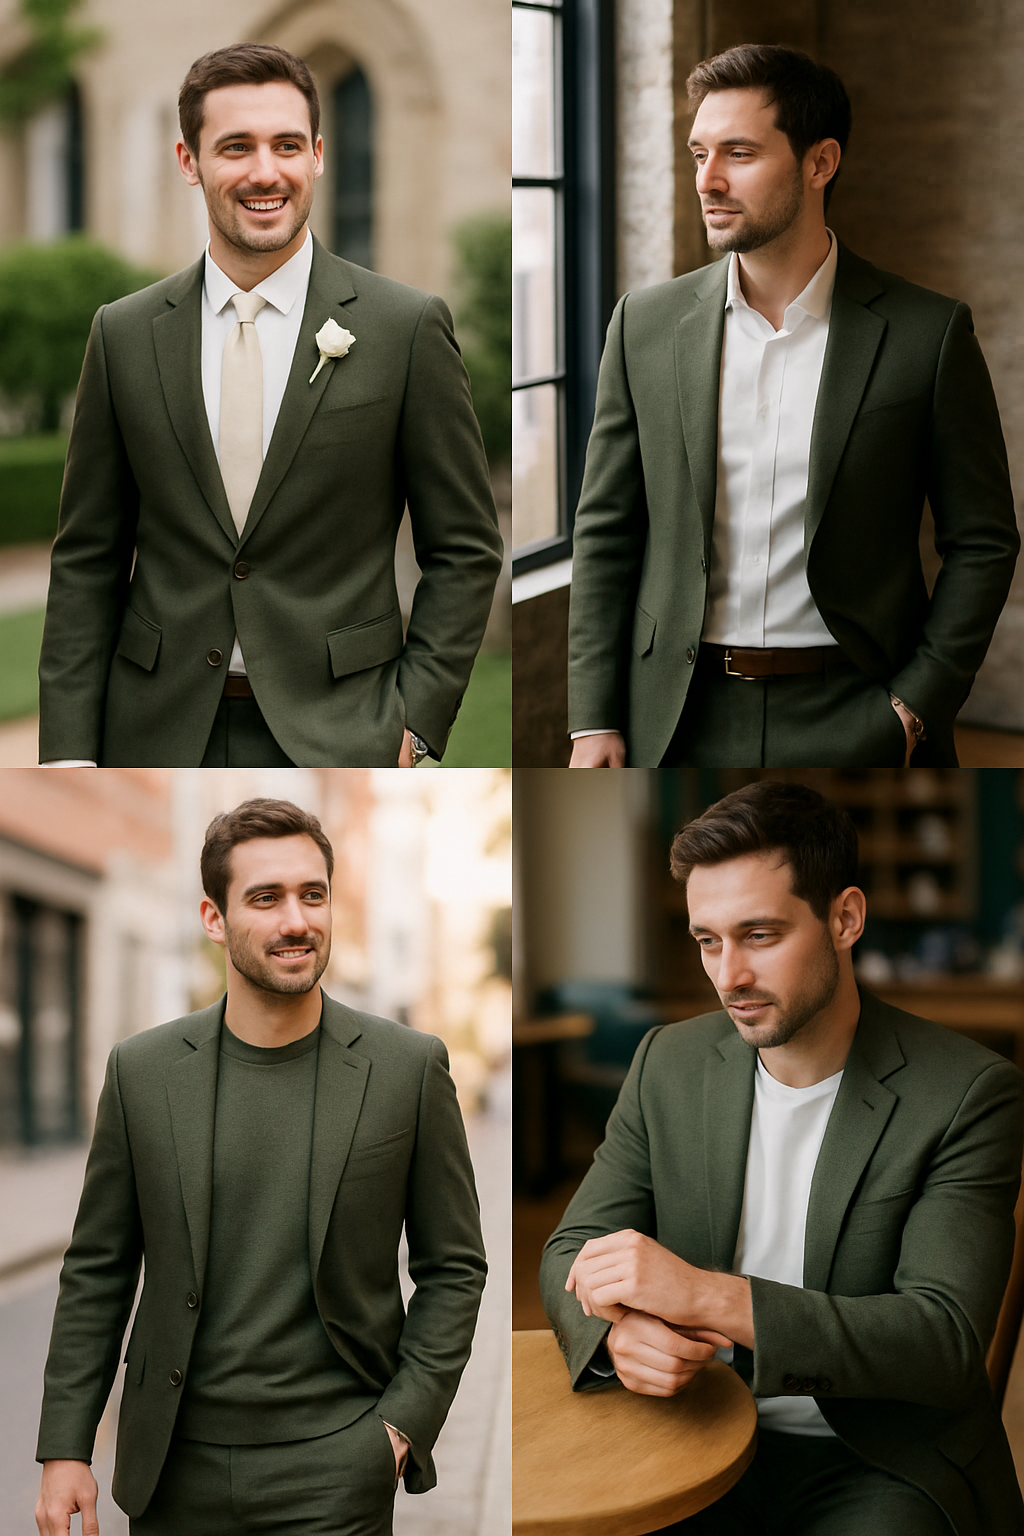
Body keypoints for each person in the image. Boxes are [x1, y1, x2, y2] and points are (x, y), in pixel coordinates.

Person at [540, 780, 1024, 1535]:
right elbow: (571, 1250)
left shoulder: (969, 1094)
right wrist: (613, 1338)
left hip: (875, 1461)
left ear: (845, 918)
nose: (728, 976)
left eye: (759, 935)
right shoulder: (666, 1061)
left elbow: (943, 1340)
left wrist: (709, 1298)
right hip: (690, 1434)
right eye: (708, 940)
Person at [38, 43, 502, 768]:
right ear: (190, 161)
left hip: (345, 732)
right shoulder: (122, 334)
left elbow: (465, 550)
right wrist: (68, 755)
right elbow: (87, 561)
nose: (265, 172)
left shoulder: (404, 328)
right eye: (235, 147)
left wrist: (414, 726)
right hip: (153, 733)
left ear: (317, 153)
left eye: (287, 144)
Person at [35, 797, 486, 1535]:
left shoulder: (408, 1068)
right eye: (266, 898)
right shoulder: (141, 1073)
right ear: (213, 918)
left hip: (338, 1468)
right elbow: (98, 1270)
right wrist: (64, 1449)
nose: (297, 921)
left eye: (313, 895)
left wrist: (399, 1428)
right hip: (175, 1467)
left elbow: (455, 1265)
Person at [567, 45, 1018, 769]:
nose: (707, 181)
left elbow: (985, 539)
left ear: (820, 163)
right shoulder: (643, 326)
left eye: (739, 153)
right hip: (676, 718)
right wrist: (593, 719)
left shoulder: (926, 334)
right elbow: (606, 532)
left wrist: (914, 707)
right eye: (698, 153)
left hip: (862, 711)